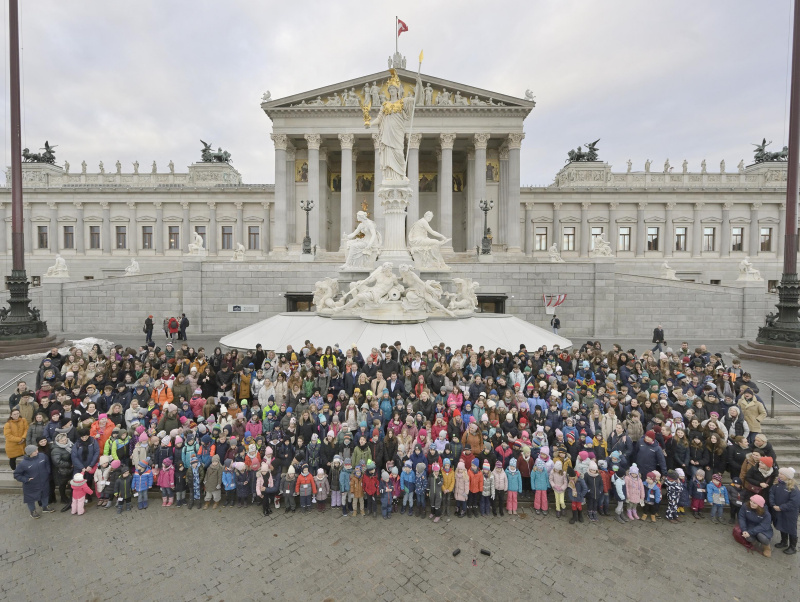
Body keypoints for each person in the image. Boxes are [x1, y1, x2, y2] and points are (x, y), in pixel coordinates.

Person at [13, 445, 54, 518]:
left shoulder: (42, 456)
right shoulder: (23, 464)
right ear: (30, 453)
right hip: (31, 485)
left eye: (37, 450)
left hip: (44, 481)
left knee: (45, 494)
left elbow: (47, 464)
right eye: (35, 451)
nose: (37, 452)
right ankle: (33, 511)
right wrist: (26, 479)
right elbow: (16, 474)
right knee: (30, 498)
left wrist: (47, 472)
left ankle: (45, 507)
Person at [770, 467, 799, 554]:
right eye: (779, 473)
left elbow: (794, 502)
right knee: (781, 525)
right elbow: (771, 494)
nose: (779, 475)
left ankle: (793, 547)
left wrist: (781, 507)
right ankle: (784, 542)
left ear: (787, 476)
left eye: (782, 474)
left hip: (789, 513)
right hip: (778, 510)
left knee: (791, 528)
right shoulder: (777, 484)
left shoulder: (793, 488)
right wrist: (773, 504)